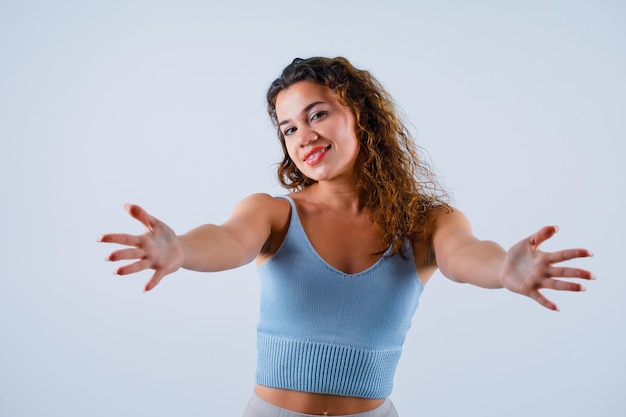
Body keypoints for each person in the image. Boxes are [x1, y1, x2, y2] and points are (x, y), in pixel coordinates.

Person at [99, 57, 594, 417]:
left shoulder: (426, 223)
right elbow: (228, 239)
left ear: (361, 114)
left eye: (317, 115)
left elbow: (466, 254)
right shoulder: (273, 213)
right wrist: (181, 250)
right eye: (288, 128)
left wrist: (504, 270)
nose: (304, 136)